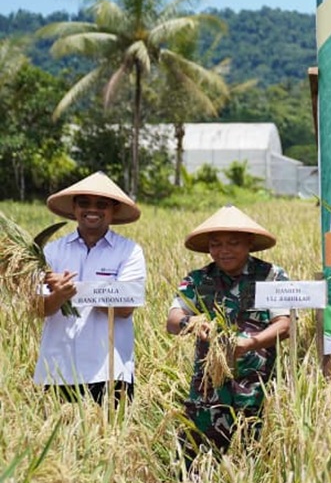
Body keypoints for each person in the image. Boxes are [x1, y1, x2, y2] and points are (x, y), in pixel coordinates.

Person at [167, 206, 291, 459]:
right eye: (216, 244)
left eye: (233, 243)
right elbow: (172, 320)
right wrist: (192, 324)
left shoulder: (270, 276)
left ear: (249, 243)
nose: (224, 251)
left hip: (258, 386)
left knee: (257, 461)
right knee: (195, 463)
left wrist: (250, 344)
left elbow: (284, 325)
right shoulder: (198, 279)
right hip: (208, 387)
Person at [35, 172, 146, 404]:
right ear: (74, 208)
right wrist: (58, 297)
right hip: (58, 368)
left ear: (113, 210)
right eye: (84, 203)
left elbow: (126, 306)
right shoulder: (52, 251)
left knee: (113, 439)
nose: (92, 210)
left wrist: (73, 290)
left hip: (110, 370)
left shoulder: (129, 252)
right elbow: (40, 308)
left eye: (101, 205)